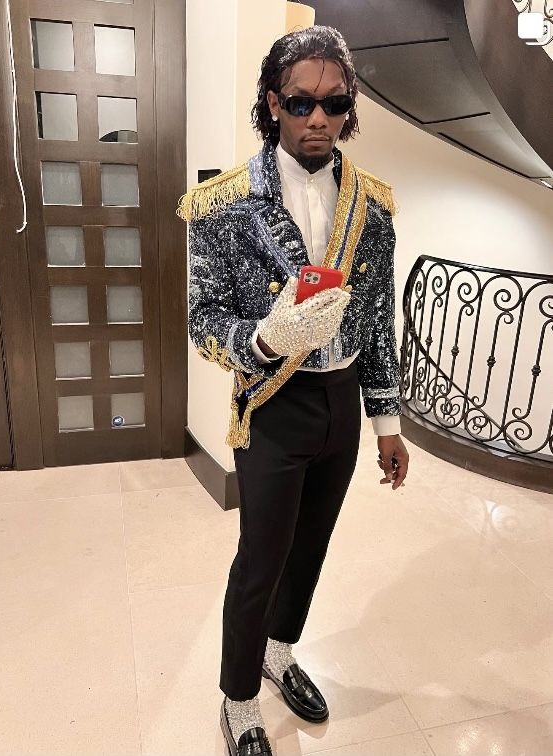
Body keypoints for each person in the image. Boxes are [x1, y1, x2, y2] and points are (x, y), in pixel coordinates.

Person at [178, 25, 409, 756]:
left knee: (311, 547)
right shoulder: (220, 206)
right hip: (273, 405)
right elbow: (202, 316)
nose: (318, 119)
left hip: (340, 403)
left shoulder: (371, 207)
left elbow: (377, 320)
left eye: (334, 104)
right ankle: (238, 696)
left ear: (349, 109)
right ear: (272, 103)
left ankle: (280, 653)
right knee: (260, 558)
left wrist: (386, 422)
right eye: (301, 103)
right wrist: (263, 340)